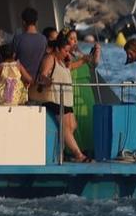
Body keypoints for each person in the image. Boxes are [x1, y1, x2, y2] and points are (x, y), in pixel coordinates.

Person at [37, 29, 87, 161]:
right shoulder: (50, 58)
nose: (67, 53)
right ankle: (78, 154)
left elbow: (70, 68)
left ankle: (63, 153)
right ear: (58, 49)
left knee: (72, 125)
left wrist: (84, 60)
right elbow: (43, 74)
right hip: (54, 99)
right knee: (65, 127)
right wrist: (47, 80)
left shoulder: (63, 62)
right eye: (65, 51)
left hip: (65, 99)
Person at [70, 31, 105, 160]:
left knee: (88, 118)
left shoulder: (80, 54)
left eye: (75, 38)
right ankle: (74, 150)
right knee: (74, 121)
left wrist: (97, 53)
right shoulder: (63, 55)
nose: (74, 41)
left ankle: (89, 148)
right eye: (71, 39)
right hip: (72, 89)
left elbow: (93, 63)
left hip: (85, 90)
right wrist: (83, 60)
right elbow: (67, 67)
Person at [9, 8, 48, 84]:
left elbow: (12, 60)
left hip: (20, 81)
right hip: (36, 82)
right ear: (36, 22)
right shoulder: (43, 39)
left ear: (23, 22)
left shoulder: (18, 38)